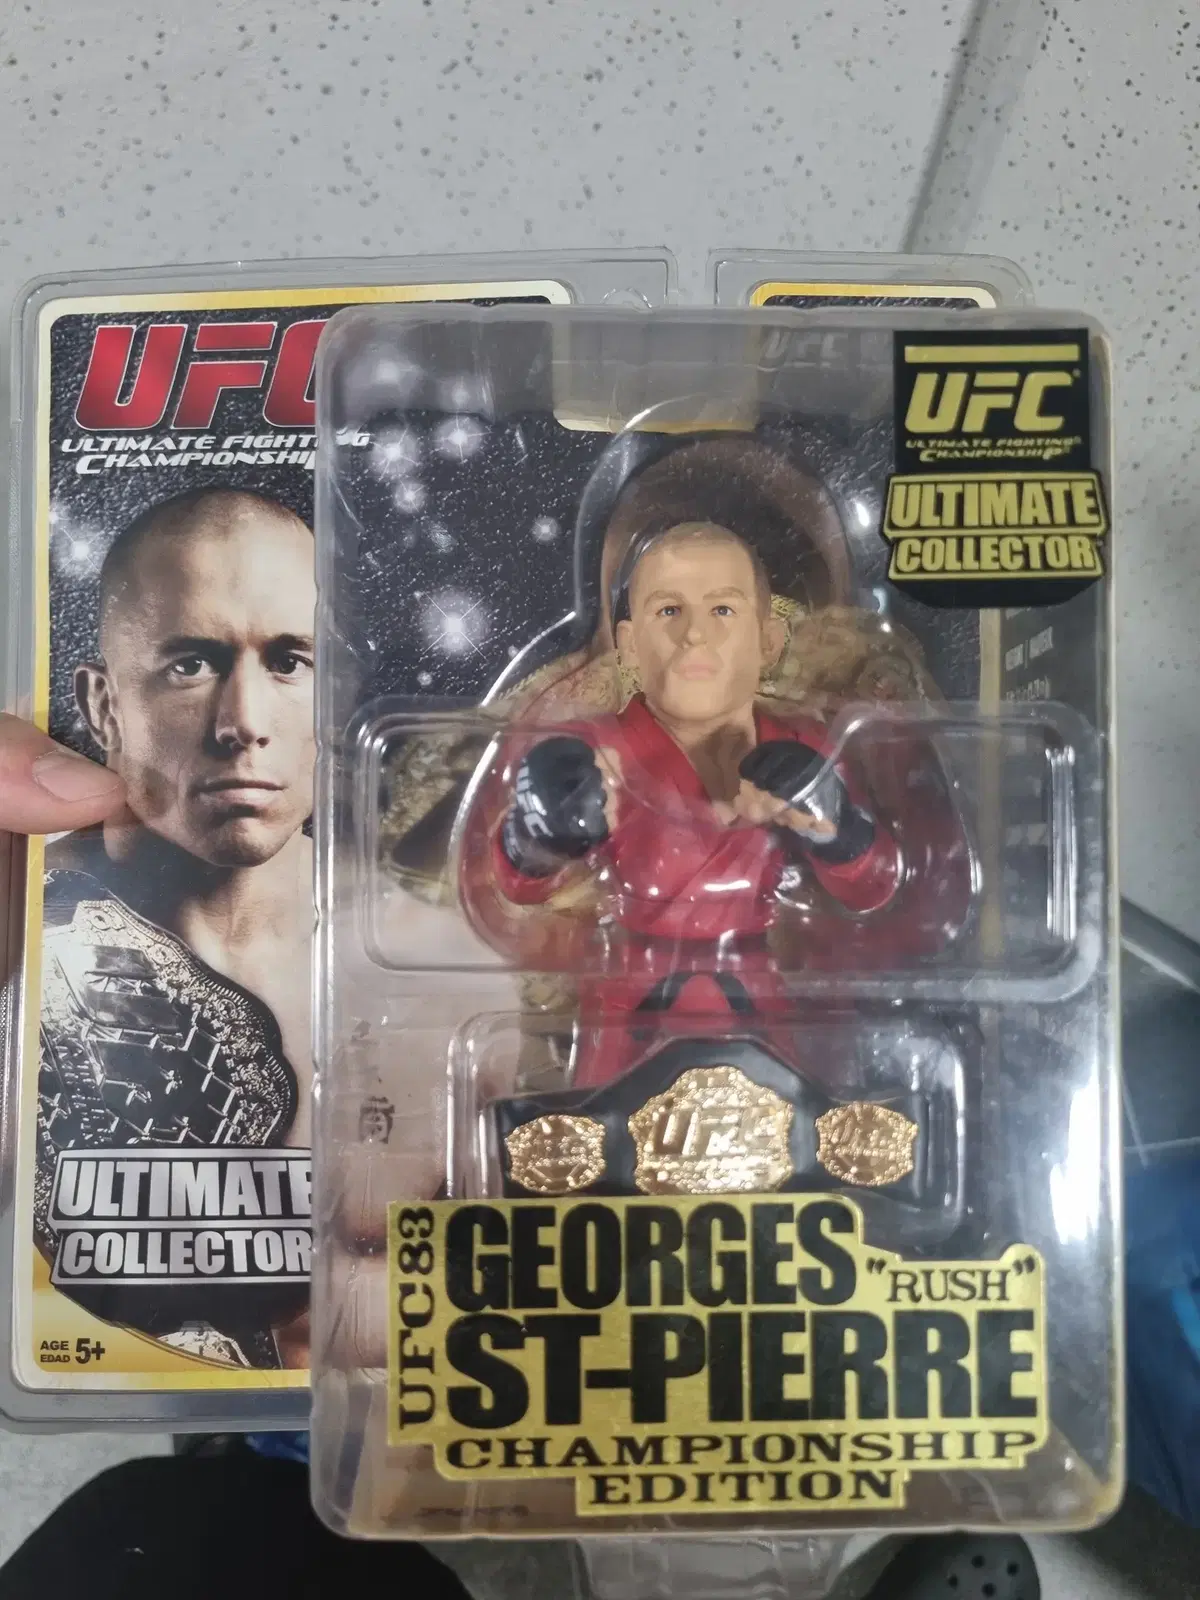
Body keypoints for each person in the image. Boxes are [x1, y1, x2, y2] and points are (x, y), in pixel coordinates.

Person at [466, 521, 907, 1089]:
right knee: (611, 1123)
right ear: (628, 643)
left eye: (722, 610)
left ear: (768, 640)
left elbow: (875, 887)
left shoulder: (806, 749)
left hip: (758, 996)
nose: (695, 634)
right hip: (631, 1000)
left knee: (781, 1119)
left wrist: (836, 828)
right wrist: (540, 832)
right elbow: (514, 887)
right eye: (669, 611)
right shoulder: (592, 753)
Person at [36, 487, 316, 1367]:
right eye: (190, 665)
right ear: (103, 705)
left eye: (289, 662)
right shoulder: (28, 944)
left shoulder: (430, 948)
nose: (244, 725)